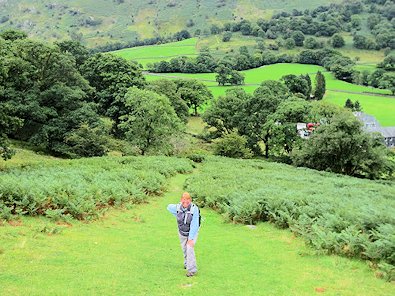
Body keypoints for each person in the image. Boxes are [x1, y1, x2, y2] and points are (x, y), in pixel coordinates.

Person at [167, 192, 200, 277]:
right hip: (182, 232)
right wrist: (178, 212)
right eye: (184, 199)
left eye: (188, 199)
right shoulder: (178, 207)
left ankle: (191, 270)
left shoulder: (194, 209)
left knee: (189, 248)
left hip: (192, 232)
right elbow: (168, 207)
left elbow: (195, 224)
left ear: (190, 200)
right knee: (184, 249)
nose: (186, 201)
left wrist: (191, 238)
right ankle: (186, 263)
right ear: (181, 200)